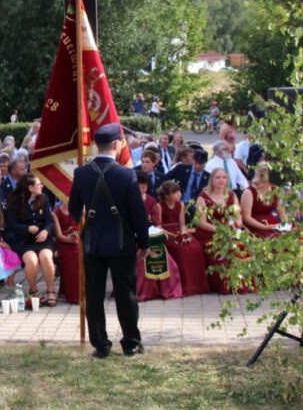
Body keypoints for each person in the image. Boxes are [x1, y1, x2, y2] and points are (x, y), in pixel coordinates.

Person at [68, 123, 150, 358]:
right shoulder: (126, 174)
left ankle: (101, 344)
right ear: (116, 144)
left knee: (94, 295)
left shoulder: (82, 173)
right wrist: (144, 242)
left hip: (93, 243)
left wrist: (85, 223)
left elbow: (73, 208)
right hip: (122, 243)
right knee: (126, 295)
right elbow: (138, 213)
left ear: (97, 145)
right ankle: (131, 343)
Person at [5, 174, 57, 306]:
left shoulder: (44, 199)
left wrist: (46, 231)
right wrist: (27, 228)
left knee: (46, 257)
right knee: (32, 260)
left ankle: (50, 290)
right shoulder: (14, 201)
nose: (42, 186)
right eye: (39, 184)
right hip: (24, 240)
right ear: (31, 188)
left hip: (42, 238)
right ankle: (34, 291)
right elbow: (11, 224)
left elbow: (49, 221)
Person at [134, 172, 182, 301]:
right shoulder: (127, 199)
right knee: (141, 261)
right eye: (140, 187)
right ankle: (143, 290)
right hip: (133, 235)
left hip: (150, 234)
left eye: (145, 187)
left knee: (167, 260)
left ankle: (165, 289)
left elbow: (156, 223)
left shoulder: (151, 200)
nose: (144, 190)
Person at [195, 167, 244, 294]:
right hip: (210, 231)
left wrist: (236, 226)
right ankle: (223, 284)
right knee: (221, 248)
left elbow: (238, 217)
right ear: (212, 180)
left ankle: (238, 282)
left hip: (229, 230)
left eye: (224, 177)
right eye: (217, 177)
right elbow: (202, 223)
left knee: (240, 246)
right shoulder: (203, 198)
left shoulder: (232, 195)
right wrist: (221, 230)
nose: (221, 180)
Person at [158, 179, 209, 297]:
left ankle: (197, 284)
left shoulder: (180, 205)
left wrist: (184, 234)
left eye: (179, 191)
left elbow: (182, 224)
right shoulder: (159, 206)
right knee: (182, 251)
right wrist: (173, 236)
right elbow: (159, 226)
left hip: (178, 231)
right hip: (166, 233)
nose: (179, 194)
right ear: (167, 196)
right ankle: (185, 285)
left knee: (196, 247)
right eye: (176, 192)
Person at [241, 164, 285, 238]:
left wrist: (285, 224)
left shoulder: (275, 190)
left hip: (273, 224)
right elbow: (246, 218)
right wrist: (265, 227)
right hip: (257, 226)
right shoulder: (249, 192)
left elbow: (281, 210)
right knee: (272, 237)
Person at [52, 203, 81, 304]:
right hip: (63, 244)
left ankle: (82, 291)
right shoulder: (56, 213)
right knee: (74, 255)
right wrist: (72, 241)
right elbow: (58, 236)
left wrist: (77, 238)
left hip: (77, 242)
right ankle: (74, 295)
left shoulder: (78, 211)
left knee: (84, 254)